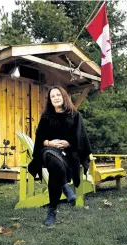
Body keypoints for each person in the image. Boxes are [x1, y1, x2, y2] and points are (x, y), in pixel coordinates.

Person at [28, 85, 92, 227]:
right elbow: (39, 139)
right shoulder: (46, 117)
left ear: (64, 97)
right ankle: (64, 188)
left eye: (58, 95)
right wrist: (50, 143)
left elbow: (81, 138)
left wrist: (68, 143)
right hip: (49, 151)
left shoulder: (75, 116)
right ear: (50, 100)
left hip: (69, 153)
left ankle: (52, 210)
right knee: (51, 157)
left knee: (56, 169)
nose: (56, 98)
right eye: (52, 96)